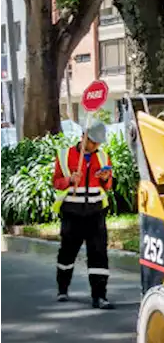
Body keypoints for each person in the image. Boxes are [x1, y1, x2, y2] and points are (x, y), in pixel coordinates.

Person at [51, 121, 114, 309]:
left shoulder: (102, 157)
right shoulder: (65, 156)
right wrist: (70, 180)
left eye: (98, 143)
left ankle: (100, 296)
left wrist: (106, 178)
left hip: (96, 212)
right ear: (84, 137)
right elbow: (56, 182)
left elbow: (108, 185)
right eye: (93, 142)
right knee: (67, 253)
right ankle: (63, 289)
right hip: (72, 212)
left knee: (99, 255)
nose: (96, 146)